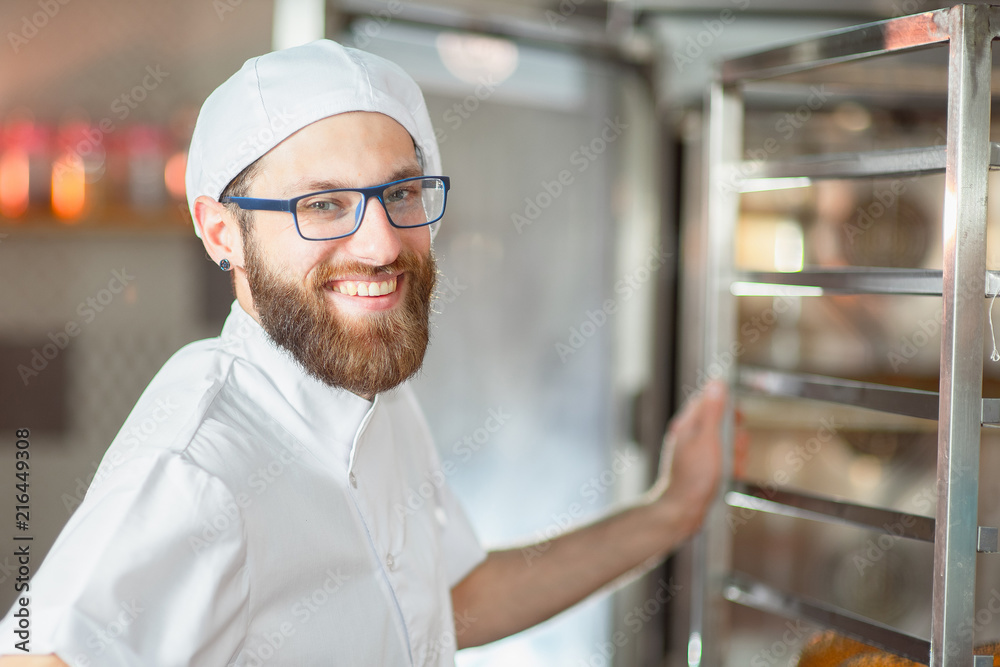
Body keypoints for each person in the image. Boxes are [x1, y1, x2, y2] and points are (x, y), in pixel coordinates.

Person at [0, 40, 728, 666]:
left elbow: (448, 601)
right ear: (223, 233)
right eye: (323, 205)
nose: (380, 244)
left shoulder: (369, 391)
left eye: (401, 193)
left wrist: (671, 511)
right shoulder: (198, 468)